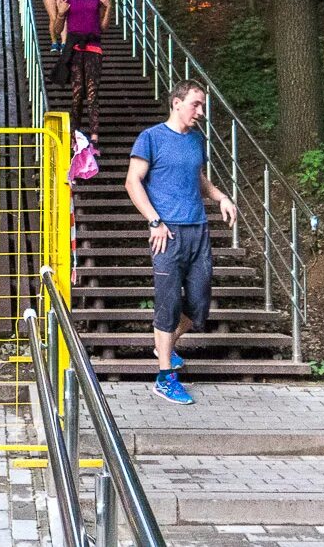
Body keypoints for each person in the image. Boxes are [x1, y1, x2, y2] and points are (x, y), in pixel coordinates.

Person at [124, 80, 238, 406]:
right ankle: (165, 377)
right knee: (168, 304)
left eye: (202, 106)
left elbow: (197, 178)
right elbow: (132, 182)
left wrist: (220, 198)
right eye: (195, 104)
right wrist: (154, 221)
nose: (200, 111)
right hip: (167, 233)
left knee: (199, 305)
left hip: (198, 230)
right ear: (176, 102)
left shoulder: (195, 141)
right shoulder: (151, 138)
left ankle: (165, 345)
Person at [55, 0, 112, 149]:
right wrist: (61, 13)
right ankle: (75, 133)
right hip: (76, 49)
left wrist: (109, 7)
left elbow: (103, 27)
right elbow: (57, 30)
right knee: (77, 92)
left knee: (93, 92)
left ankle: (94, 135)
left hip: (94, 48)